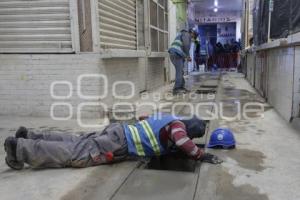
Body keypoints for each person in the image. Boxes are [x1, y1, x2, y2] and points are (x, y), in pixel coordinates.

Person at [4, 114, 222, 170]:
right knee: (73, 155)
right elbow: (183, 142)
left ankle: (30, 136)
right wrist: (201, 155)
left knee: (77, 140)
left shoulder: (169, 117)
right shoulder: (178, 129)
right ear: (190, 130)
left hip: (119, 130)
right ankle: (20, 148)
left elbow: (144, 118)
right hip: (119, 145)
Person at [168, 29, 198, 95]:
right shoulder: (186, 35)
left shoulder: (183, 34)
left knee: (180, 71)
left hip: (176, 54)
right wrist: (188, 56)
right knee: (179, 71)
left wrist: (185, 57)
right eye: (194, 37)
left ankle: (181, 87)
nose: (193, 39)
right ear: (192, 34)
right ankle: (177, 89)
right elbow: (186, 45)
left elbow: (182, 48)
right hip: (176, 53)